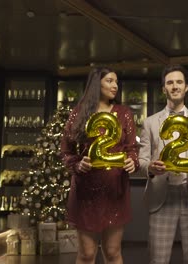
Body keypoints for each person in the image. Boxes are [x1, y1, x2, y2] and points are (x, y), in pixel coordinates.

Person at [60, 67, 139, 264]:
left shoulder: (124, 113)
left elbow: (132, 148)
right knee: (86, 254)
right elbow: (66, 152)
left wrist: (132, 161)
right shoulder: (78, 113)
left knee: (113, 253)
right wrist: (78, 164)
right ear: (97, 84)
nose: (115, 86)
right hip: (86, 192)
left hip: (115, 191)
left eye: (116, 82)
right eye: (110, 81)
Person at [139, 64, 188, 264]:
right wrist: (150, 168)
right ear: (163, 88)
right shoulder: (149, 123)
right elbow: (142, 160)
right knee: (158, 260)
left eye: (179, 82)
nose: (175, 86)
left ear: (186, 87)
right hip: (161, 198)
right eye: (170, 82)